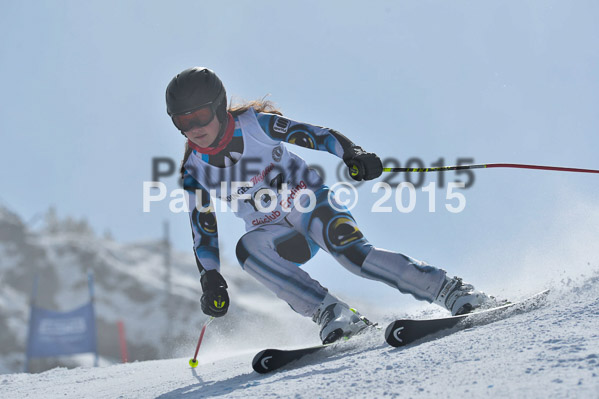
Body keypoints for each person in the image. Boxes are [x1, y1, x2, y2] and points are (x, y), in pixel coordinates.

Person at [166, 67, 497, 344]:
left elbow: (316, 135)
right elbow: (203, 229)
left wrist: (352, 154)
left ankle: (450, 290)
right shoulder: (194, 171)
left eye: (200, 115)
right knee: (247, 250)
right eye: (182, 121)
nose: (194, 128)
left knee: (355, 256)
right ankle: (331, 312)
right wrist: (209, 277)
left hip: (311, 204)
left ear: (220, 106)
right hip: (277, 235)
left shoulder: (254, 124)